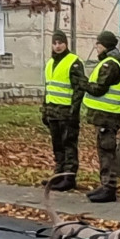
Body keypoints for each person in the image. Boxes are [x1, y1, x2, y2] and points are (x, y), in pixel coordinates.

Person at [82, 30, 120, 203]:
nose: (96, 47)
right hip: (106, 116)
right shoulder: (112, 62)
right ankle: (105, 185)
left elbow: (99, 88)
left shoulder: (110, 64)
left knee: (107, 152)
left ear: (105, 46)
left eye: (98, 44)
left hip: (108, 116)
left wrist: (82, 83)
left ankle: (109, 188)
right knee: (104, 151)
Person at [40, 30, 87, 191]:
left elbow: (79, 89)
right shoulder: (50, 63)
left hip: (67, 113)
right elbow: (48, 89)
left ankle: (69, 177)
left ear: (66, 43)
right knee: (57, 145)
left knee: (69, 145)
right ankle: (58, 175)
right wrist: (44, 111)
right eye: (55, 43)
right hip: (53, 112)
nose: (57, 46)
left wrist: (74, 112)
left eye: (60, 43)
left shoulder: (73, 62)